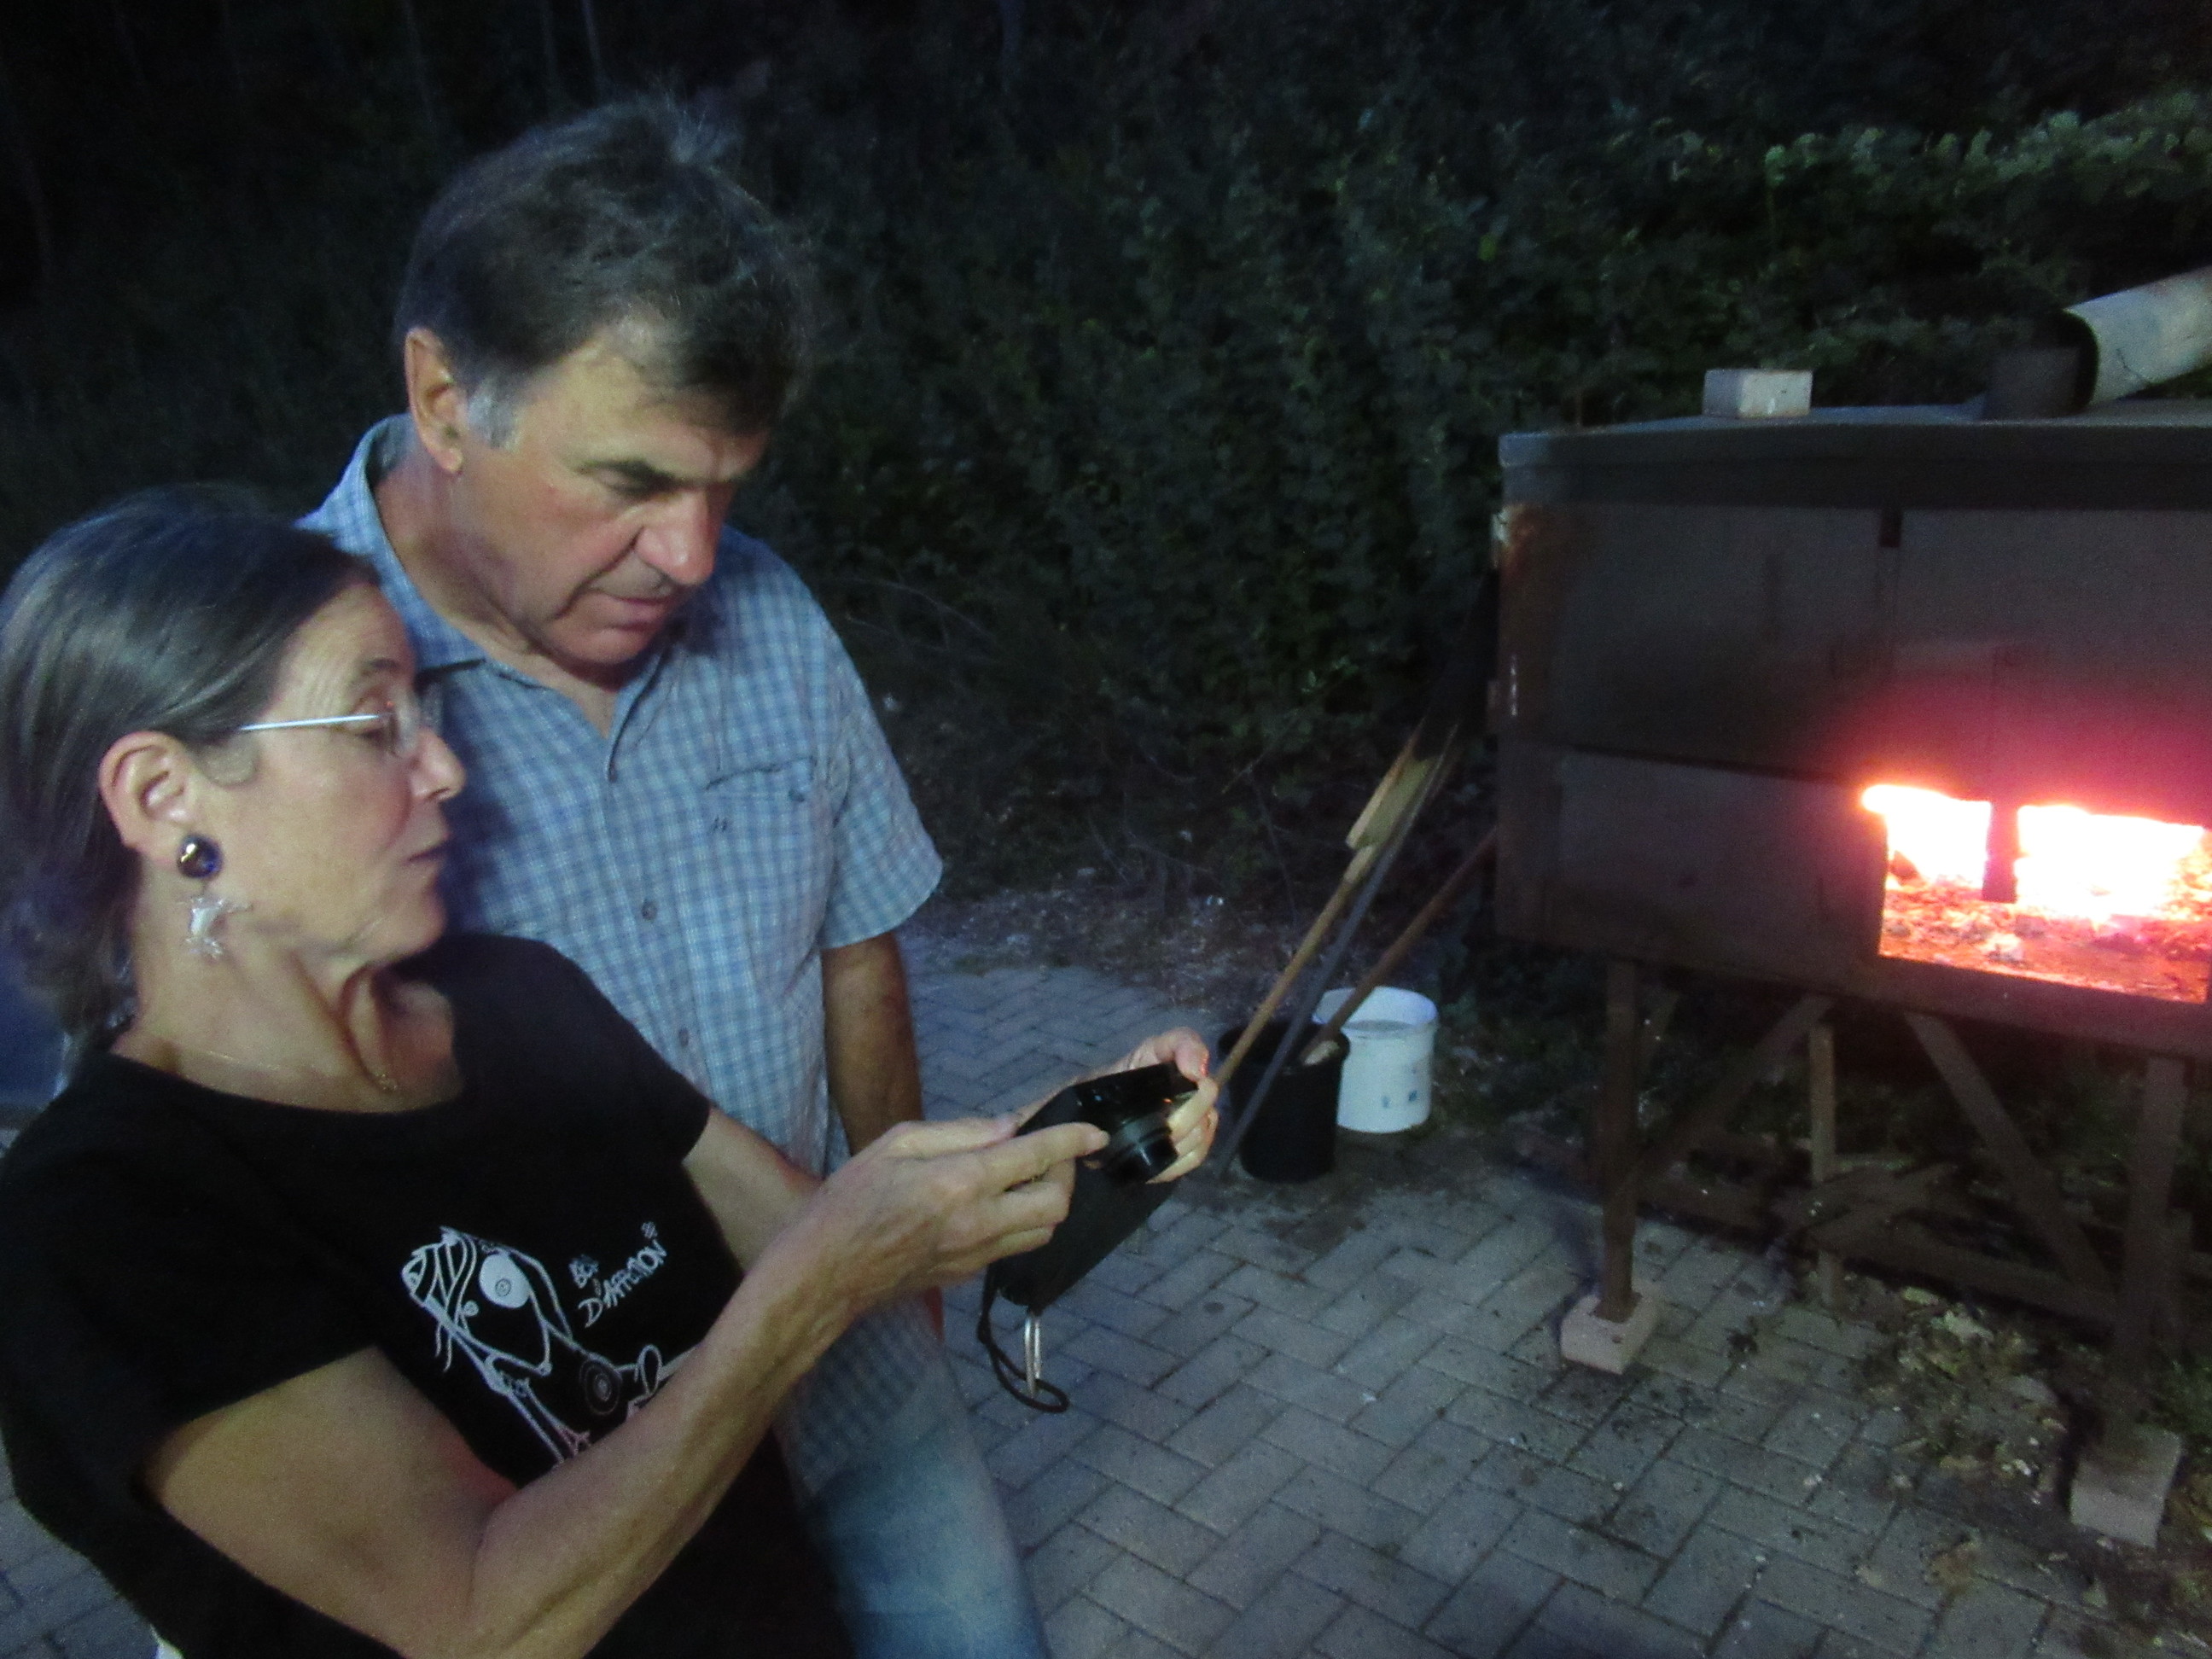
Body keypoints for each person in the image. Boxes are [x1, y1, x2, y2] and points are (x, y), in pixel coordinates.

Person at [0, 502, 1218, 1658]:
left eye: (425, 713)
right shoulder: (102, 1222)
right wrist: (808, 1290)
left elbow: (812, 1227)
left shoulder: (513, 998)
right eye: (374, 726)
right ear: (163, 797)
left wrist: (1061, 1142)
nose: (445, 770)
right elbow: (482, 1616)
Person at [300, 96, 1161, 1654]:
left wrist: (904, 1258)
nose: (693, 558)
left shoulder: (765, 616)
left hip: (851, 1359)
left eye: (728, 487)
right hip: (570, 1463)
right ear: (444, 398)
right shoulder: (272, 697)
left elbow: (856, 945)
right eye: (630, 482)